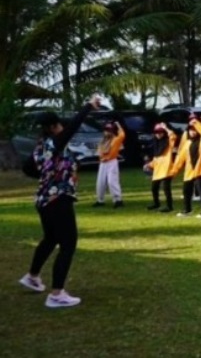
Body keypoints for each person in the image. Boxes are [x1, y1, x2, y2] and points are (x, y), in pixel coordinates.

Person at [20, 96, 101, 308]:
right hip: (58, 199)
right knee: (68, 243)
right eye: (60, 125)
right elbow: (73, 127)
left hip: (44, 199)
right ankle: (57, 294)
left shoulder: (40, 147)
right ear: (55, 126)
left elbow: (28, 168)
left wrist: (47, 176)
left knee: (50, 239)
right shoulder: (56, 142)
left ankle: (32, 276)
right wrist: (89, 106)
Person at [170, 114, 201, 217]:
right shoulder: (187, 143)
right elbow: (180, 158)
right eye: (190, 130)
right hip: (189, 171)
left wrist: (196, 122)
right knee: (186, 191)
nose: (192, 132)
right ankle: (187, 210)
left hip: (199, 170)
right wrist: (173, 171)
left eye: (194, 130)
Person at [145, 123, 177, 212]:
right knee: (154, 188)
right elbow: (156, 158)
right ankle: (156, 203)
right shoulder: (156, 143)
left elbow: (173, 136)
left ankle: (169, 206)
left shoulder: (168, 142)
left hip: (167, 169)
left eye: (160, 132)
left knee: (166, 188)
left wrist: (166, 128)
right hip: (158, 170)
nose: (158, 134)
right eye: (156, 132)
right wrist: (150, 164)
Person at [93, 121, 125, 208]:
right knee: (100, 182)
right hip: (103, 163)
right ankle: (100, 200)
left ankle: (118, 200)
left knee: (112, 181)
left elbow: (122, 134)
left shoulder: (115, 139)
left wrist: (118, 124)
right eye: (106, 130)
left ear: (112, 131)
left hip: (112, 162)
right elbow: (100, 153)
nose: (107, 132)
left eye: (109, 130)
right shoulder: (102, 141)